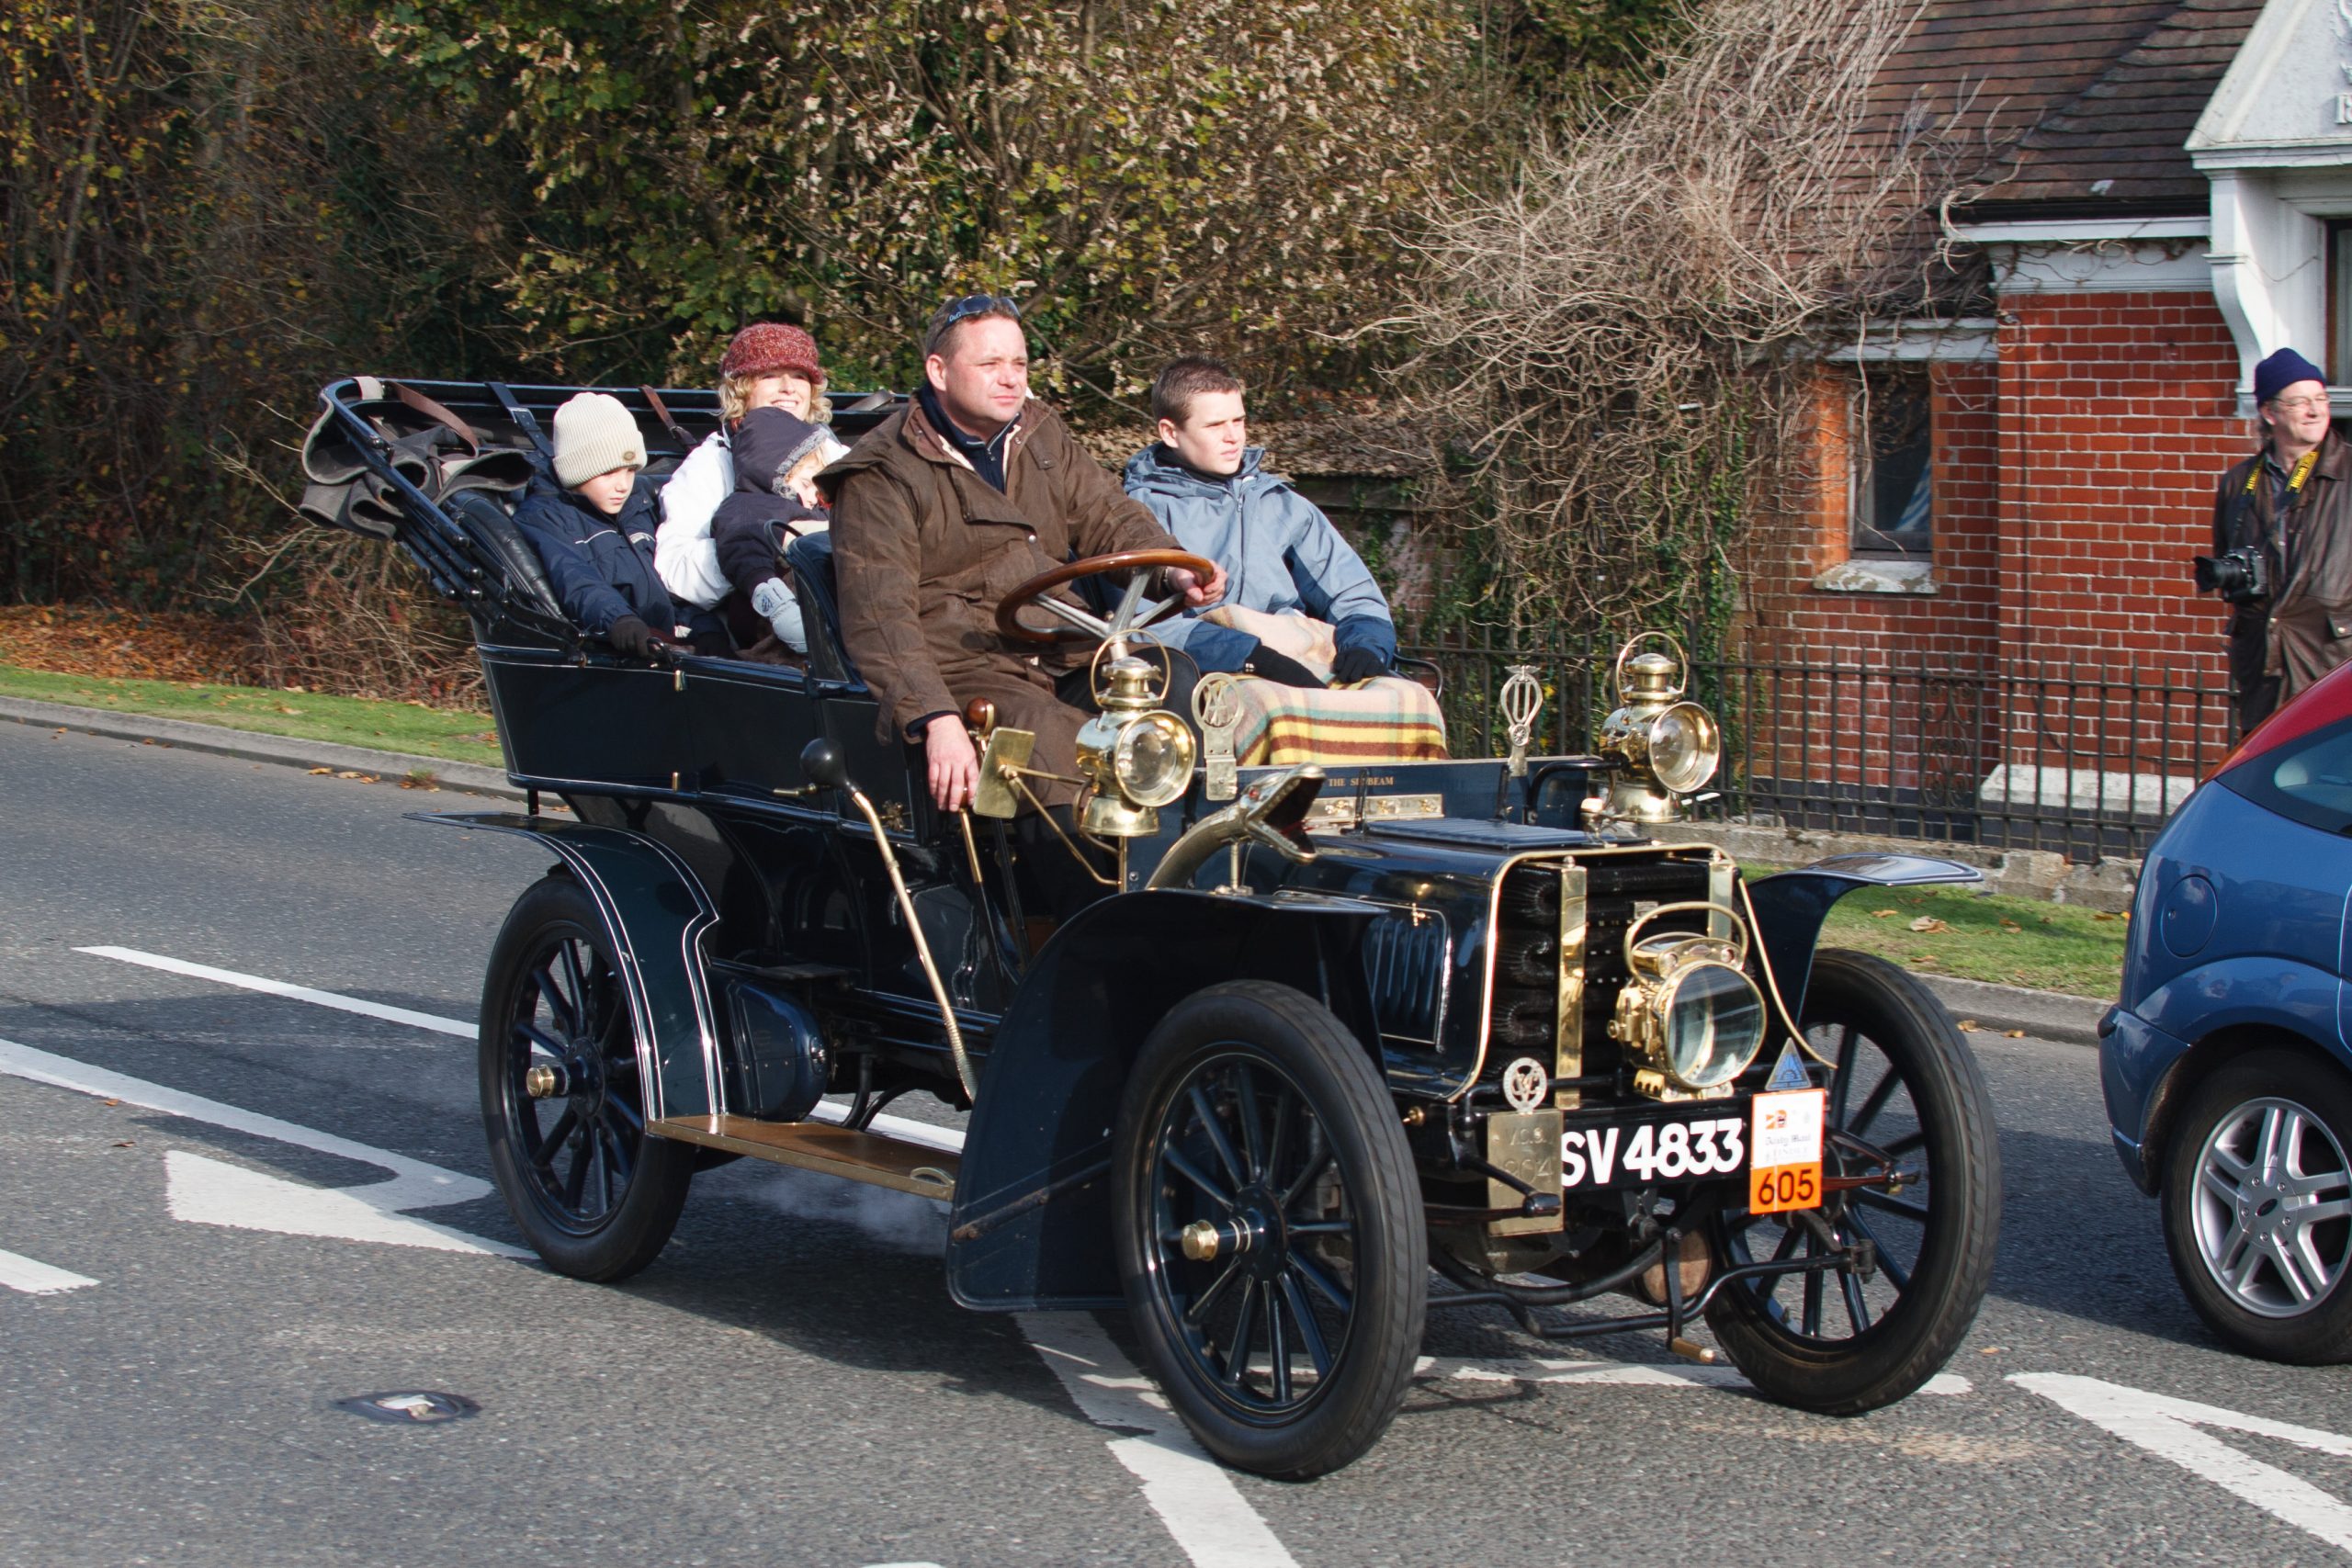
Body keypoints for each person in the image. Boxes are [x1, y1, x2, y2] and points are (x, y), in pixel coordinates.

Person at [827, 295, 1223, 840]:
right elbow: (879, 617)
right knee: (1056, 737)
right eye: (990, 365)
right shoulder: (880, 473)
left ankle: (1202, 851)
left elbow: (1109, 513)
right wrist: (935, 718)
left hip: (1061, 644)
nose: (1010, 379)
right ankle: (1098, 904)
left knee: (1171, 679)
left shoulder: (1040, 434)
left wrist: (1173, 570)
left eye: (1019, 364)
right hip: (966, 666)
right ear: (938, 371)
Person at [1122, 355, 1397, 688]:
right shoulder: (1134, 512)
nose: (1233, 437)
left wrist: (1365, 647)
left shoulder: (1283, 505)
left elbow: (1352, 593)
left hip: (1300, 658)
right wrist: (1251, 656)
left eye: (1238, 421)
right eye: (1214, 425)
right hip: (1196, 674)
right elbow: (1140, 624)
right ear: (1170, 432)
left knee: (1405, 703)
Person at [657, 322, 848, 638]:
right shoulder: (709, 464)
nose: (789, 387)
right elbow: (674, 572)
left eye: (800, 376)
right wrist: (776, 543)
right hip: (764, 634)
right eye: (770, 375)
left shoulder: (837, 455)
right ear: (741, 388)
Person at [2206, 347, 2352, 734]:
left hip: (2333, 661)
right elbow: (2227, 556)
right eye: (2301, 401)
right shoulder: (2239, 482)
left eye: (2321, 398)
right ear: (2270, 413)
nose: (2316, 410)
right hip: (2262, 665)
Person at [511, 392, 693, 660]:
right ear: (577, 471)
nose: (623, 485)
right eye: (609, 473)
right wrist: (619, 620)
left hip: (669, 647)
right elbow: (574, 578)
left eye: (630, 470)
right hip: (616, 648)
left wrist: (706, 627)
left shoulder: (639, 504)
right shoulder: (546, 518)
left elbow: (676, 573)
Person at [708, 406, 834, 654]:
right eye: (806, 484)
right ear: (777, 473)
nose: (812, 497)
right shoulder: (748, 507)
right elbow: (743, 550)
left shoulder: (813, 510)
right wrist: (779, 606)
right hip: (772, 614)